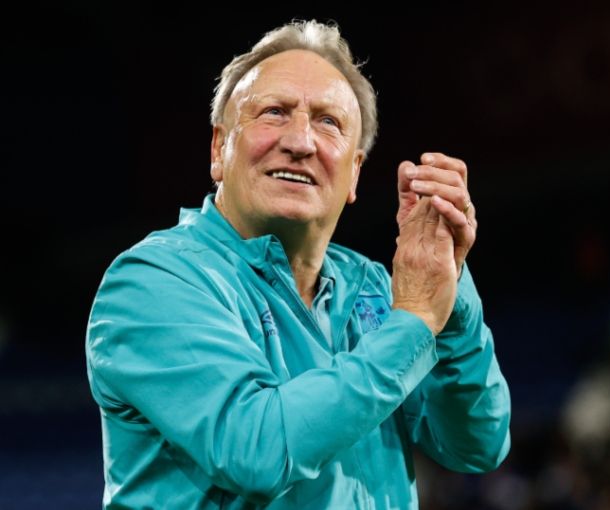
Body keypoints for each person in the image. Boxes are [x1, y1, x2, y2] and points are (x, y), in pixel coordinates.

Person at [85, 19, 511, 509]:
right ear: (218, 150)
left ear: (353, 173)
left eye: (329, 122)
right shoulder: (153, 282)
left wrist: (450, 294)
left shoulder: (375, 289)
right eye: (274, 113)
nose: (301, 141)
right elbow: (255, 450)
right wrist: (414, 321)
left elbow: (477, 444)